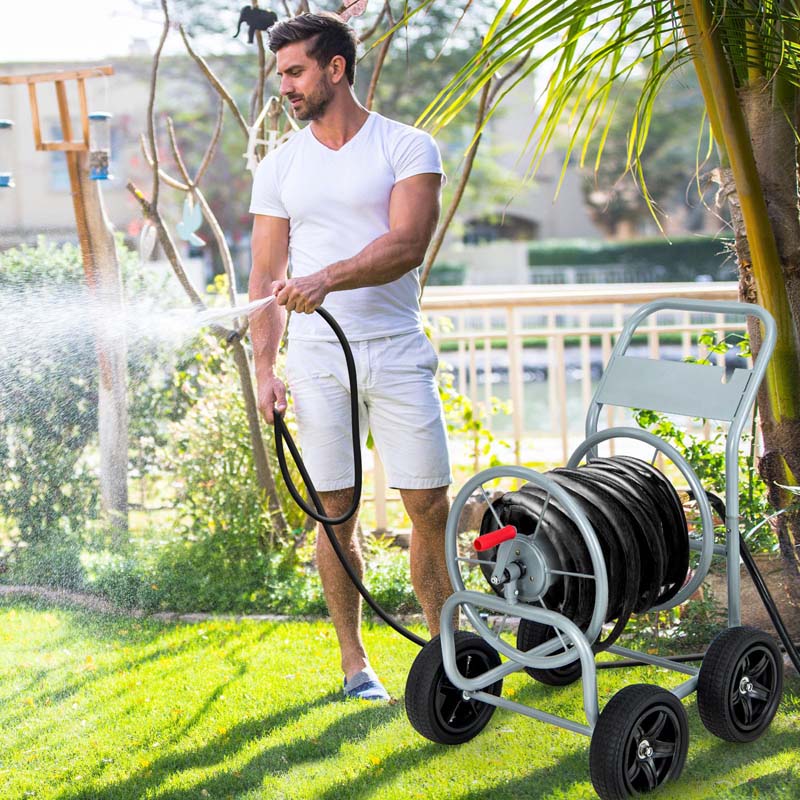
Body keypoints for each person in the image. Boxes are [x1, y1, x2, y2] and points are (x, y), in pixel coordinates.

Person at [248, 12, 453, 701]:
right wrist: (265, 370)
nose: (285, 86)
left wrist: (325, 279)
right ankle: (354, 665)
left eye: (296, 71)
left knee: (428, 505)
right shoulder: (280, 166)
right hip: (315, 357)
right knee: (334, 510)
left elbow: (407, 244)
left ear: (336, 68)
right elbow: (265, 276)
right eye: (281, 74)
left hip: (395, 349)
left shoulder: (407, 146)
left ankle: (448, 659)